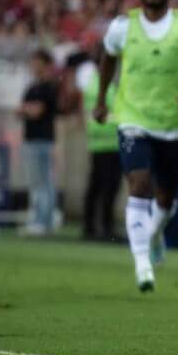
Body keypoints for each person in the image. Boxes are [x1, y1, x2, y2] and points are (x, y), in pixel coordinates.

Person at [95, 0, 178, 292]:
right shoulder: (122, 27)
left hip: (173, 125)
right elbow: (106, 58)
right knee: (139, 184)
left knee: (166, 198)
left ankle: (156, 234)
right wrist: (103, 100)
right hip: (132, 118)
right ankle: (142, 264)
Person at [61, 49, 122, 242]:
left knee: (102, 186)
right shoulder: (97, 85)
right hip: (104, 141)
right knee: (104, 186)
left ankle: (96, 226)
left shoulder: (100, 84)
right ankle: (100, 227)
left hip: (110, 141)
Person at [19, 49, 59, 236]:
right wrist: (28, 108)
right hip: (31, 138)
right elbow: (23, 110)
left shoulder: (48, 87)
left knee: (44, 182)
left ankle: (43, 221)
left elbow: (36, 111)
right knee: (37, 182)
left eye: (36, 62)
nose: (33, 65)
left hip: (43, 139)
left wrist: (27, 109)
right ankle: (39, 219)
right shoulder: (32, 87)